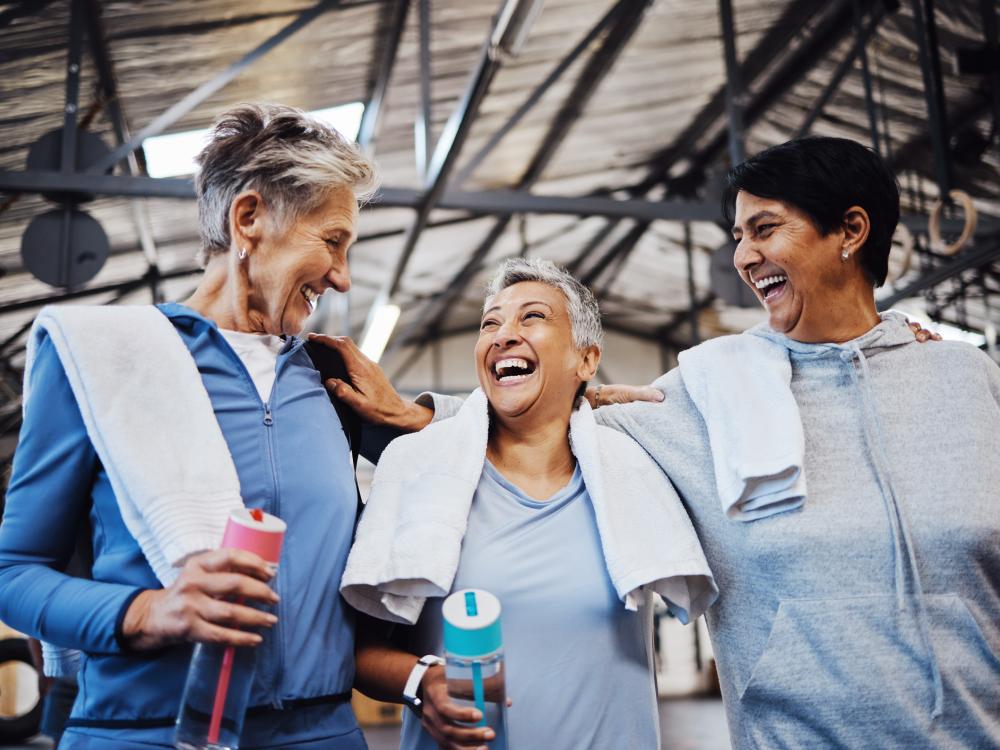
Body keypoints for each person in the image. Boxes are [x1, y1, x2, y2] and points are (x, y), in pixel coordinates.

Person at [323, 137, 1000, 748]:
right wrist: (417, 416)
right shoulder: (709, 389)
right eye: (738, 235)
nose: (743, 256)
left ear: (851, 230)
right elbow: (553, 415)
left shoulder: (965, 378)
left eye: (765, 229)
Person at [0, 103, 382, 749]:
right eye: (331, 240)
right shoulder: (107, 360)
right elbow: (15, 570)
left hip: (321, 733)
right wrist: (147, 611)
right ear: (250, 218)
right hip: (145, 731)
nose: (341, 276)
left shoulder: (334, 379)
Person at [323, 258, 716, 750]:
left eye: (532, 317)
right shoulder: (418, 469)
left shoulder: (635, 471)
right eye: (490, 322)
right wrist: (421, 681)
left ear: (587, 360)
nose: (503, 334)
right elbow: (361, 653)